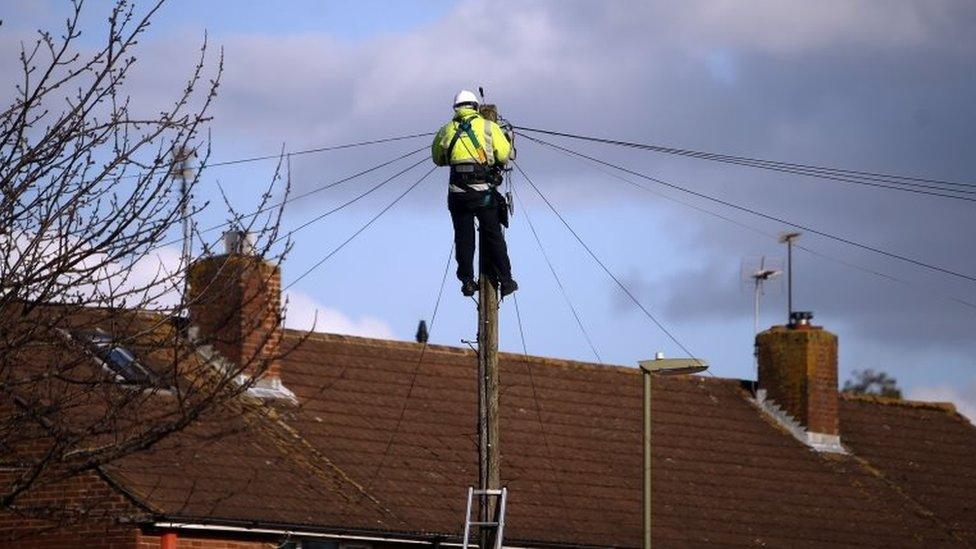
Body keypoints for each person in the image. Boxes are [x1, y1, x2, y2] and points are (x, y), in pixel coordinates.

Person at [431, 89, 518, 297]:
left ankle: (467, 281)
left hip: (458, 194)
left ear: (456, 109)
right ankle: (506, 281)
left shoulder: (445, 130)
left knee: (463, 237)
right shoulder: (488, 126)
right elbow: (505, 155)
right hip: (483, 193)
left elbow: (437, 158)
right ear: (476, 107)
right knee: (493, 234)